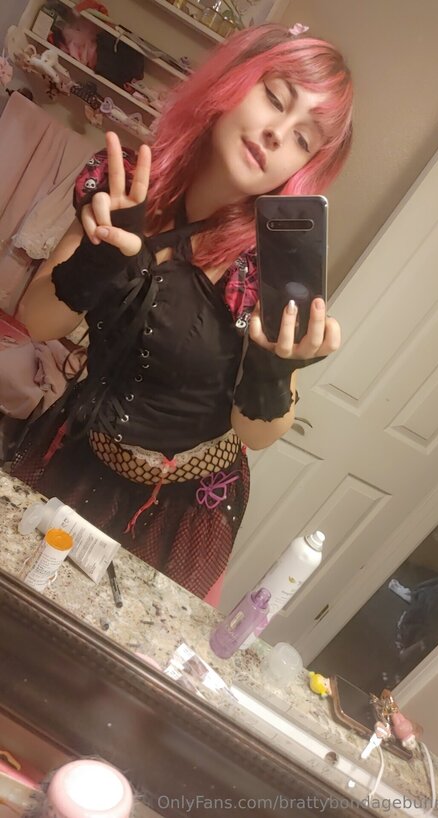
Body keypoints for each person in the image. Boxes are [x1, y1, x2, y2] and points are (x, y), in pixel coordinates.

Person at [13, 23, 353, 601]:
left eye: (303, 138)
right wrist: (95, 264)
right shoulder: (126, 187)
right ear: (232, 81)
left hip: (181, 510)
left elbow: (257, 433)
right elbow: (39, 320)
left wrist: (275, 371)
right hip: (77, 451)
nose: (276, 134)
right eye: (275, 98)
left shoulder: (267, 267)